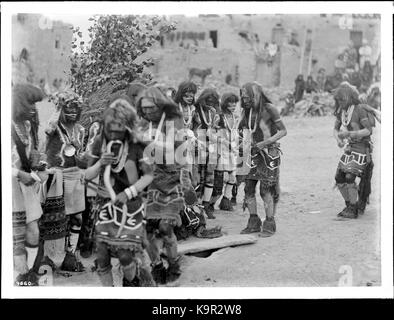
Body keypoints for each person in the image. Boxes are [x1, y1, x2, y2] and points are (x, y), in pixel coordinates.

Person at [84, 95, 155, 287]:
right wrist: (101, 162)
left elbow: (149, 176)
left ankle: (132, 282)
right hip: (104, 206)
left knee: (125, 255)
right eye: (111, 126)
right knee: (102, 255)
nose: (114, 131)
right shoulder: (100, 141)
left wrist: (128, 193)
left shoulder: (137, 144)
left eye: (119, 127)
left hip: (130, 206)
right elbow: (87, 176)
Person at [136, 87, 189, 284]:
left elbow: (177, 150)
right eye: (144, 109)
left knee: (166, 228)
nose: (148, 112)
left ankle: (174, 264)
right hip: (148, 182)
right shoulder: (144, 123)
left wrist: (147, 143)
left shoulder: (173, 120)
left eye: (151, 108)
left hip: (170, 180)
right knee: (147, 230)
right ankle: (157, 264)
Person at [41, 90, 86, 272]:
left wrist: (81, 156)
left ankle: (70, 255)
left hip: (74, 174)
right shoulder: (54, 126)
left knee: (76, 217)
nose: (72, 112)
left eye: (76, 109)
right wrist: (59, 106)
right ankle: (44, 258)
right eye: (68, 108)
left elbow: (81, 156)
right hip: (56, 174)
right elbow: (48, 129)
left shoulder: (80, 130)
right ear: (61, 109)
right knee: (50, 217)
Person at [239, 82, 287, 237]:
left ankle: (269, 223)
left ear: (256, 95)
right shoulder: (246, 111)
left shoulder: (269, 109)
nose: (244, 100)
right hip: (252, 154)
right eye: (243, 98)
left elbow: (283, 131)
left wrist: (265, 143)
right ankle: (253, 222)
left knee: (265, 189)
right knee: (248, 188)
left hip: (268, 153)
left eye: (247, 98)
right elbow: (243, 131)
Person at [12, 84, 48, 285]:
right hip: (10, 189)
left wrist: (36, 162)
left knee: (33, 230)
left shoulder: (26, 126)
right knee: (17, 235)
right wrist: (17, 172)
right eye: (30, 103)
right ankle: (22, 275)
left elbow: (28, 158)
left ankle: (28, 272)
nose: (34, 108)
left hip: (26, 187)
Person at [333, 82, 374, 219]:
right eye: (338, 100)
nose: (340, 102)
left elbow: (368, 130)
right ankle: (350, 204)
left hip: (362, 147)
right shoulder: (341, 111)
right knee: (339, 177)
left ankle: (353, 207)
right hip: (350, 148)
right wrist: (338, 140)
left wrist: (350, 135)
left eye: (342, 100)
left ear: (349, 98)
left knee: (350, 176)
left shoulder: (359, 109)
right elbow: (335, 129)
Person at [192, 88, 220, 219]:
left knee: (210, 176)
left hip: (211, 147)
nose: (210, 103)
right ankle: (197, 207)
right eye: (207, 101)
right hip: (197, 146)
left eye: (212, 101)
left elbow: (216, 129)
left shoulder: (213, 112)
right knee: (197, 178)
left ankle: (207, 206)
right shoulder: (194, 110)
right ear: (202, 99)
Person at [209, 92, 239, 212]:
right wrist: (223, 141)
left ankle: (225, 202)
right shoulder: (219, 117)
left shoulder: (235, 116)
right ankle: (209, 204)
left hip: (233, 151)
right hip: (221, 151)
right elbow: (209, 134)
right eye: (230, 103)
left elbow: (235, 132)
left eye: (235, 103)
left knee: (232, 178)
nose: (233, 105)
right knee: (219, 182)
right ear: (225, 103)